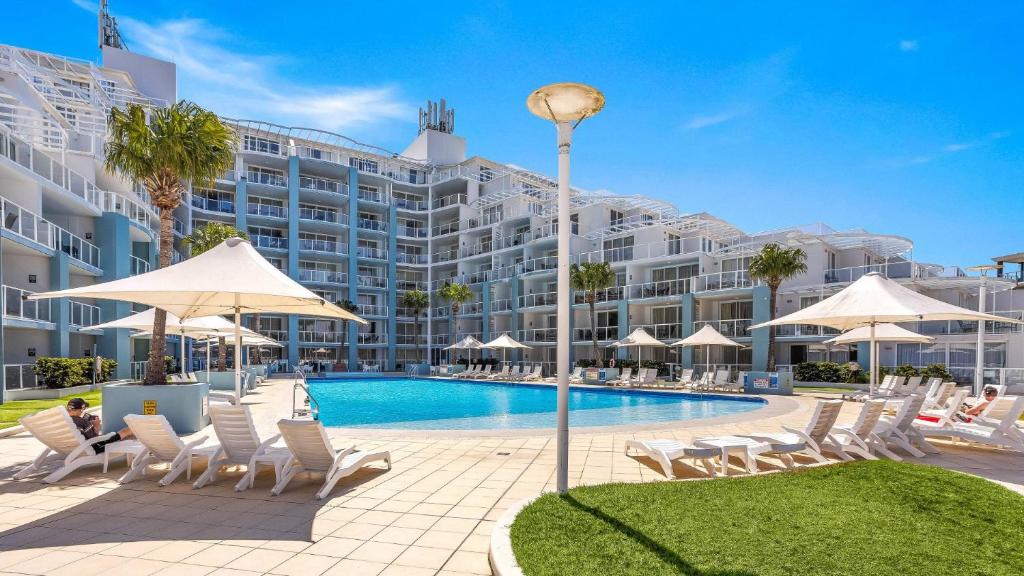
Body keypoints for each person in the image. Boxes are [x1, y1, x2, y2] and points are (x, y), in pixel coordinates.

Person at [66, 398, 133, 452]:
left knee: (118, 434)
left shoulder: (66, 420)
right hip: (96, 446)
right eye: (83, 409)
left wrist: (89, 425)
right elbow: (95, 439)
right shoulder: (82, 421)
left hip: (75, 449)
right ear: (80, 409)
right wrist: (96, 425)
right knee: (126, 431)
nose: (83, 411)